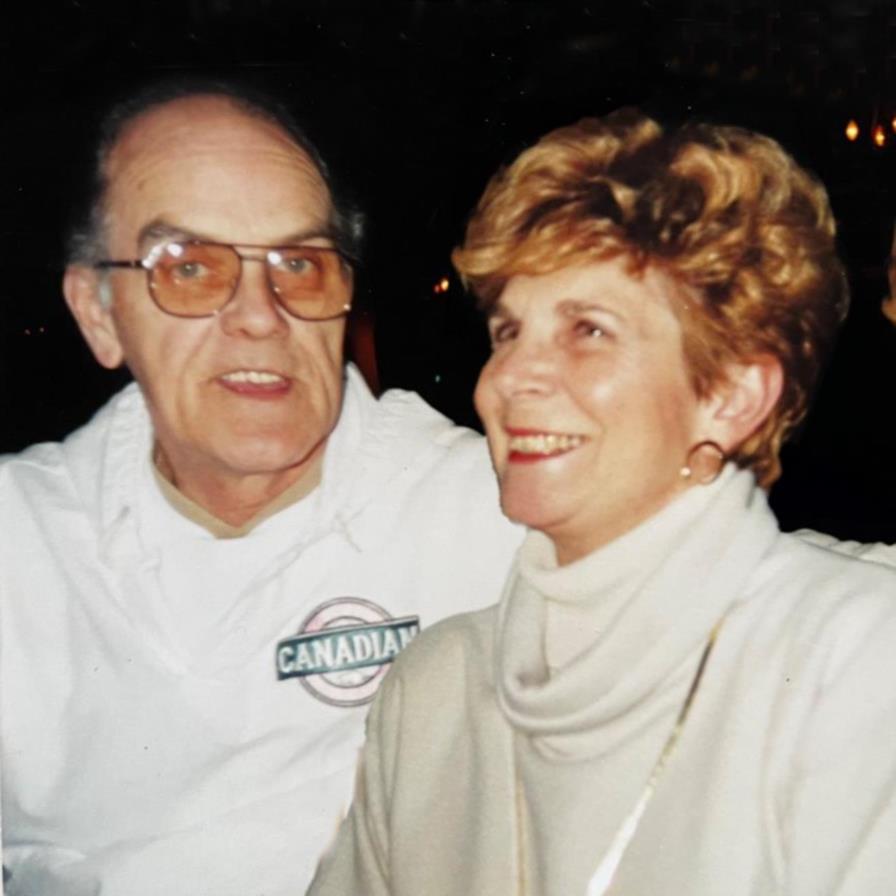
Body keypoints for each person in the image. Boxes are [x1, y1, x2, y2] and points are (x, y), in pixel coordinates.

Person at [308, 110, 896, 896]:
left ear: (731, 395)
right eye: (508, 332)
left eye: (587, 330)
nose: (507, 379)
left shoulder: (850, 659)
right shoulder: (433, 688)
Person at [0, 80, 521, 896]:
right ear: (99, 313)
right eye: (190, 267)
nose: (260, 315)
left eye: (299, 265)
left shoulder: (493, 513)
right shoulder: (18, 540)